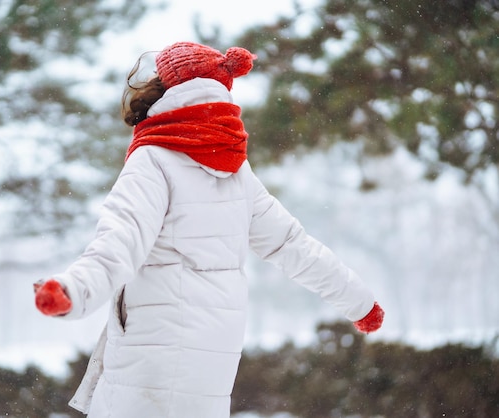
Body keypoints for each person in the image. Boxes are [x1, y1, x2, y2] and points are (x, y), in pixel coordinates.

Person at [33, 41, 384, 418]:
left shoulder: (154, 160)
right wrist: (359, 302)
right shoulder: (236, 172)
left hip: (155, 351)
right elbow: (290, 244)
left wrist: (73, 289)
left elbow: (122, 239)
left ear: (166, 88)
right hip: (214, 358)